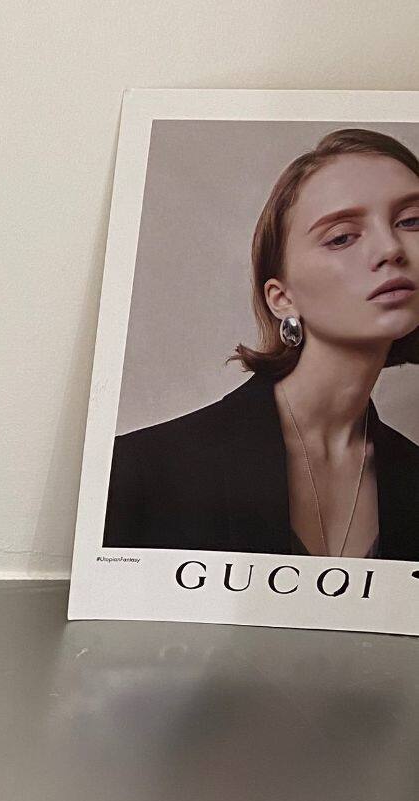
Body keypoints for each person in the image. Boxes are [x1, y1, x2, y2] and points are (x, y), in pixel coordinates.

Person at [104, 128, 419, 558]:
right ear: (281, 297)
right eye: (342, 237)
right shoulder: (141, 472)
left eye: (411, 221)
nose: (391, 249)